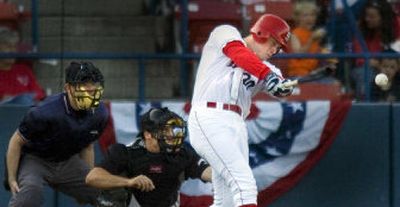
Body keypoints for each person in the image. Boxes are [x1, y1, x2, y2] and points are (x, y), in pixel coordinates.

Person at [188, 14, 294, 207]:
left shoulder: (267, 68)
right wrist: (268, 76)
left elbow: (278, 84)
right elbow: (238, 53)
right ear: (260, 33)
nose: (274, 50)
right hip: (210, 115)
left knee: (226, 201)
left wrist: (282, 87)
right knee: (245, 186)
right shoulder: (226, 33)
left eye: (278, 48)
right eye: (273, 43)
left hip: (237, 124)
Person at [5, 61, 108, 206]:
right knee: (30, 194)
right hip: (36, 159)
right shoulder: (45, 111)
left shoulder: (100, 113)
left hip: (67, 161)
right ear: (68, 88)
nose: (90, 89)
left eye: (93, 83)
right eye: (83, 84)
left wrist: (88, 181)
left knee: (107, 193)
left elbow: (87, 147)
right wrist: (11, 178)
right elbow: (16, 141)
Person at [85, 107, 212, 207]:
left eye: (174, 131)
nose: (172, 136)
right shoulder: (126, 152)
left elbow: (207, 172)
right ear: (148, 134)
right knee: (111, 195)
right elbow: (92, 178)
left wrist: (228, 176)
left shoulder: (183, 153)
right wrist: (129, 182)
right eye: (165, 131)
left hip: (168, 204)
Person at [351, 0, 400, 100]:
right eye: (366, 15)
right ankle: (367, 105)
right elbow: (361, 58)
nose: (367, 19)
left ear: (383, 17)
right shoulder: (361, 28)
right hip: (368, 68)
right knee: (367, 75)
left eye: (372, 16)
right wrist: (380, 65)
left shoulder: (395, 26)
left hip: (393, 66)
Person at [0, 27, 45, 105]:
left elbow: (39, 93)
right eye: (7, 46)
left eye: (14, 46)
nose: (12, 50)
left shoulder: (24, 70)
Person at [286, 1, 327, 78]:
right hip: (298, 74)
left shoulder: (314, 34)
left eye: (312, 15)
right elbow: (298, 54)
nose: (310, 18)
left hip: (312, 73)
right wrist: (311, 40)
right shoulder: (295, 34)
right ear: (298, 18)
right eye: (305, 15)